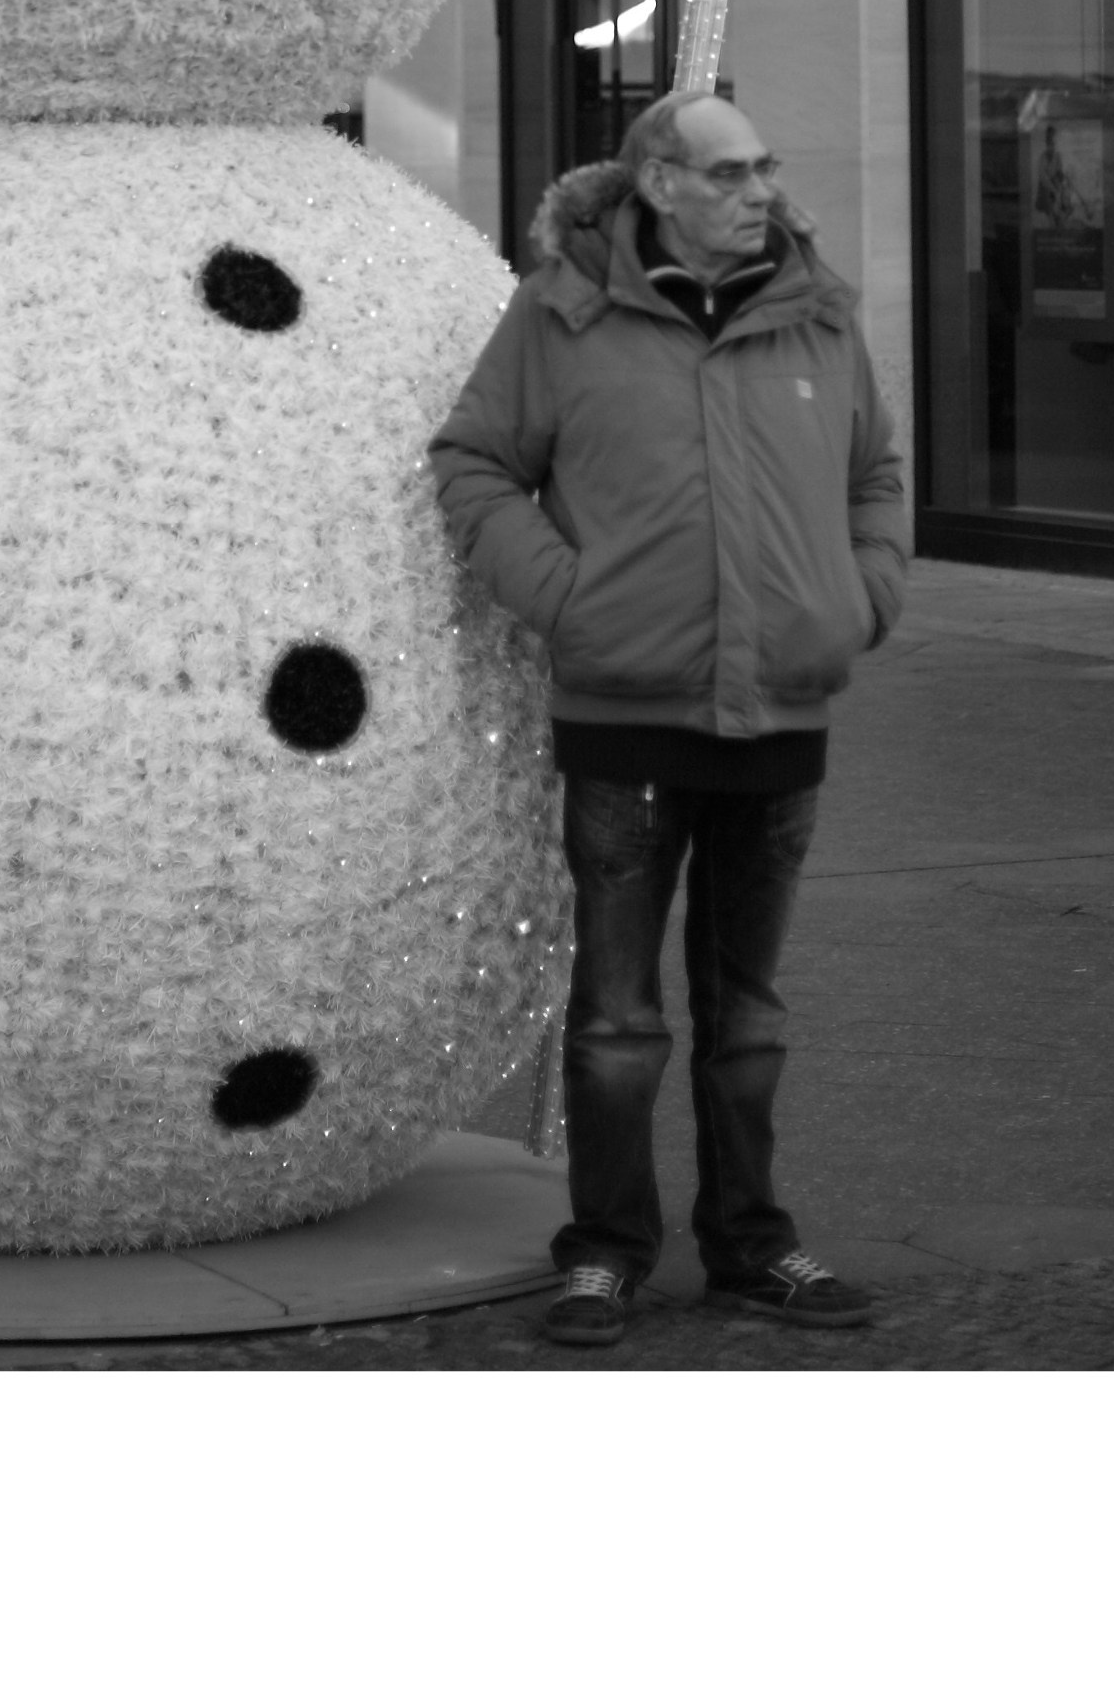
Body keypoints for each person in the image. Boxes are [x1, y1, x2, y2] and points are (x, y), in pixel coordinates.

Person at [429, 87, 908, 1346]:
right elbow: (474, 460)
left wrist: (859, 599)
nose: (762, 189)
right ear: (659, 182)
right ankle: (605, 1251)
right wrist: (568, 600)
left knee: (749, 1014)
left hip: (782, 716)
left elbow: (875, 474)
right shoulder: (562, 313)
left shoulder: (817, 310)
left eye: (765, 166)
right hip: (627, 719)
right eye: (731, 170)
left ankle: (753, 1243)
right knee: (617, 1020)